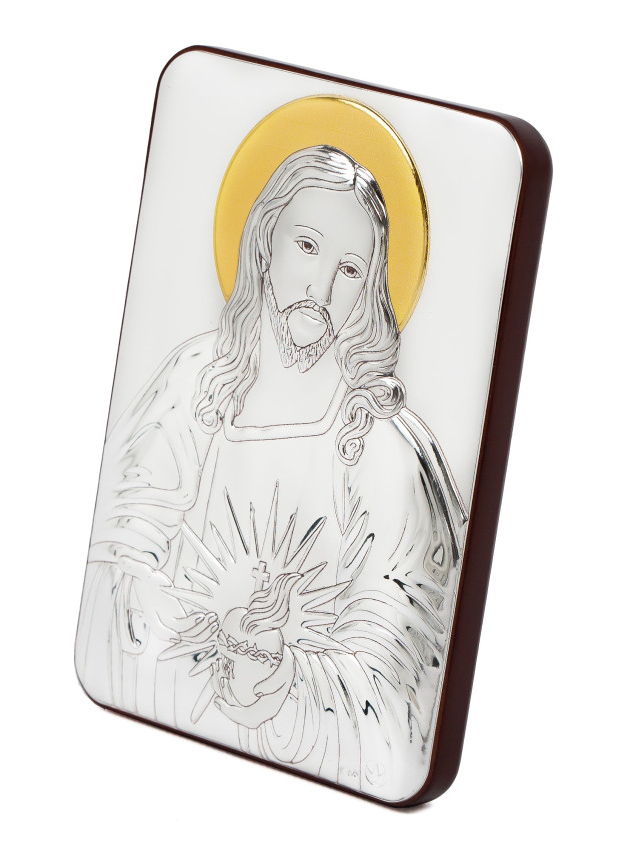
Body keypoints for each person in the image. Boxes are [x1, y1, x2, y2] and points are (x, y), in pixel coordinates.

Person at [75, 145, 466, 801]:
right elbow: (115, 563)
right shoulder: (194, 385)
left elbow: (399, 669)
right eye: (307, 246)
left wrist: (284, 679)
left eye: (350, 268)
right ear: (264, 245)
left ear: (370, 290)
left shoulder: (383, 448)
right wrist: (193, 639)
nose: (322, 287)